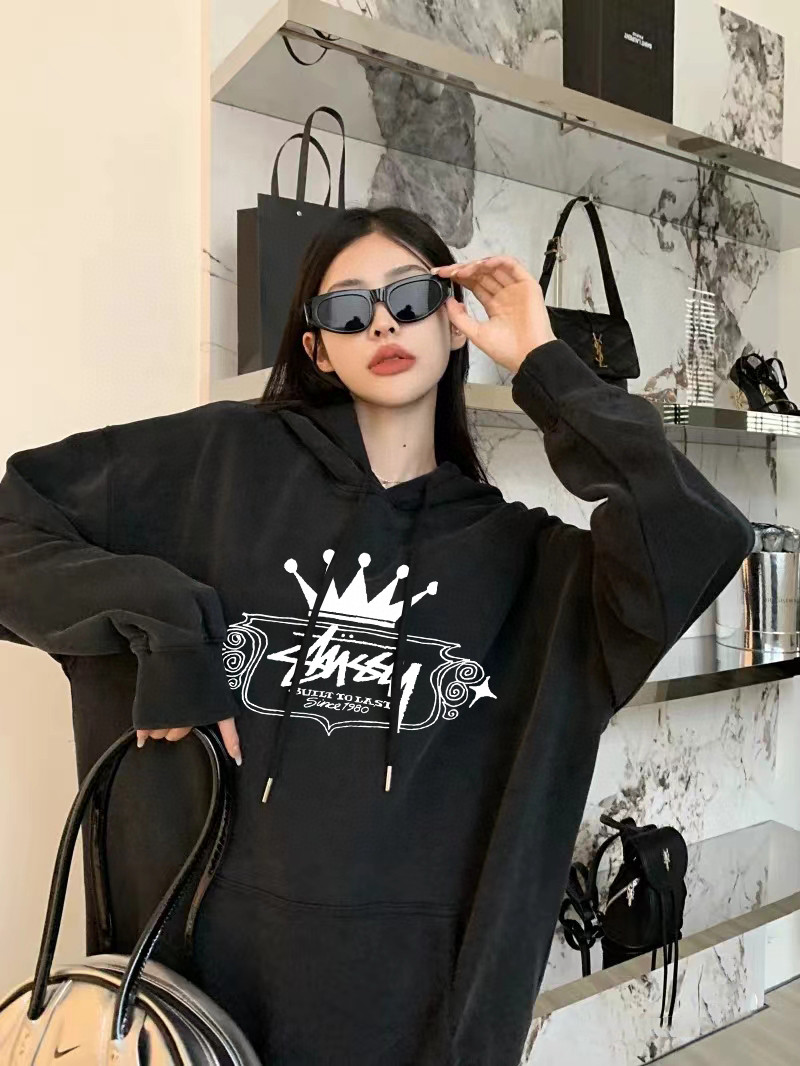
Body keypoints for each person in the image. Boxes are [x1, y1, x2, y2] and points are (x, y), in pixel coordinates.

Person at [0, 205, 754, 1065]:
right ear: (317, 348)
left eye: (410, 297)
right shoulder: (221, 463)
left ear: (455, 319)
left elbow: (699, 537)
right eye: (348, 309)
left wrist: (543, 365)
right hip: (188, 1010)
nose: (383, 323)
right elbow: (16, 527)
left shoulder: (530, 567)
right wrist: (167, 628)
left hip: (410, 1028)